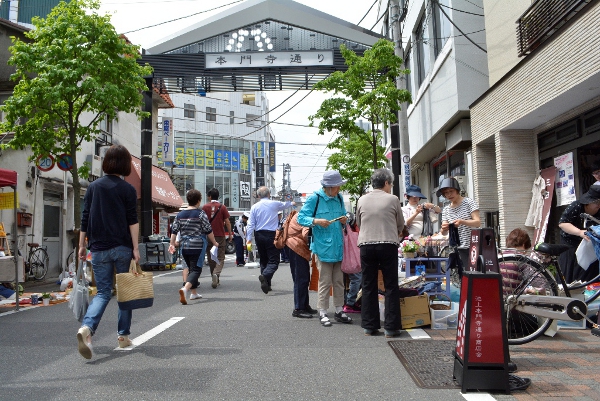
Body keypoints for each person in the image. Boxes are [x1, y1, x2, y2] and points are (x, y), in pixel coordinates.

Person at [76, 145, 140, 359]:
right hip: (122, 247)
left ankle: (87, 329)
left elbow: (84, 218)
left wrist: (82, 245)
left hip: (99, 248)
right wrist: (136, 248)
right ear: (125, 164)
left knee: (103, 292)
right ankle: (123, 336)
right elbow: (133, 221)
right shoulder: (128, 189)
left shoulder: (93, 187)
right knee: (125, 292)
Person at [356, 169, 405, 337]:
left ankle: (369, 326)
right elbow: (400, 223)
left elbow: (359, 222)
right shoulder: (393, 199)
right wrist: (395, 231)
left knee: (368, 284)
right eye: (390, 184)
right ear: (386, 183)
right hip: (387, 244)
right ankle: (391, 328)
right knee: (391, 285)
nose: (390, 187)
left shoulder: (362, 199)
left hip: (366, 245)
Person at [297, 171, 350, 327]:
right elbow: (301, 218)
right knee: (325, 281)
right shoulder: (315, 198)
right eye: (338, 186)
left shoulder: (339, 198)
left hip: (338, 246)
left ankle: (339, 310)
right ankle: (323, 311)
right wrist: (316, 221)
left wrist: (344, 219)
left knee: (339, 281)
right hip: (322, 247)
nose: (340, 188)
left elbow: (344, 219)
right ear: (330, 186)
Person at [169, 189, 219, 305]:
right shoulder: (200, 213)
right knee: (196, 269)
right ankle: (185, 289)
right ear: (198, 201)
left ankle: (194, 293)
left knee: (191, 269)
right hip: (197, 245)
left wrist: (172, 244)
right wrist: (215, 242)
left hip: (184, 246)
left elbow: (174, 231)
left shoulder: (180, 215)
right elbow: (208, 230)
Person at [246, 186, 294, 294]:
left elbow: (250, 224)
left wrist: (248, 238)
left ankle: (267, 284)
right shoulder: (274, 204)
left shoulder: (254, 207)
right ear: (269, 194)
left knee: (263, 260)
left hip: (258, 235)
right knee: (274, 260)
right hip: (271, 235)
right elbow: (285, 204)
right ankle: (265, 276)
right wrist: (292, 203)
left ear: (258, 196)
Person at [558, 184, 600, 283]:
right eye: (596, 202)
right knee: (569, 272)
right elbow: (563, 223)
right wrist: (579, 232)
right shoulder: (576, 206)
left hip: (590, 244)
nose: (598, 205)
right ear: (587, 203)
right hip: (571, 243)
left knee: (590, 272)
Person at [283, 210, 318, 318]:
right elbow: (306, 233)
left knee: (303, 278)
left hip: (293, 246)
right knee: (301, 278)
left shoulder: (300, 213)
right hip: (296, 247)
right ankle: (298, 308)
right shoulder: (305, 216)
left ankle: (304, 305)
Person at [438, 177, 481, 250]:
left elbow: (478, 222)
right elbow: (443, 233)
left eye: (451, 191)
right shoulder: (446, 209)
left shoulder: (469, 202)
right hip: (455, 248)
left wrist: (462, 221)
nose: (449, 195)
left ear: (457, 190)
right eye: (446, 193)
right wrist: (444, 228)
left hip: (473, 246)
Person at [202, 188, 232, 288]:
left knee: (211, 258)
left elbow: (201, 222)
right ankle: (216, 273)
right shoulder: (222, 207)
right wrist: (230, 234)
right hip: (220, 235)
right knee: (220, 257)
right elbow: (227, 222)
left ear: (210, 196)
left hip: (208, 235)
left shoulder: (205, 207)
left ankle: (213, 276)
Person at [343, 212, 361, 314]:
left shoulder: (343, 228)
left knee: (341, 281)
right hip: (351, 257)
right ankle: (350, 303)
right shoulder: (351, 227)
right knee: (357, 278)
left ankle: (345, 302)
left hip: (341, 256)